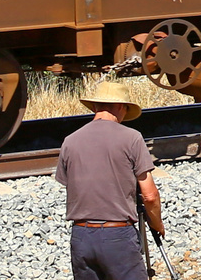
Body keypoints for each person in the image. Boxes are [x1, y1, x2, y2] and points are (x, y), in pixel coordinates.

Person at [55, 81, 164, 280]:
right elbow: (149, 195)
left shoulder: (70, 141)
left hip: (81, 237)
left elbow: (70, 184)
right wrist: (157, 224)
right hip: (118, 236)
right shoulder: (132, 138)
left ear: (95, 107)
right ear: (122, 107)